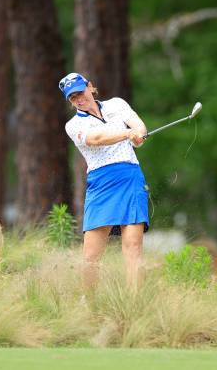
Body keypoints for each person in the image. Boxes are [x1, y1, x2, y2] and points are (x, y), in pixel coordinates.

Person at [59, 72, 149, 293]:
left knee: (133, 246)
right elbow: (96, 139)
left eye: (80, 93)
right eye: (73, 98)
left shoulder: (117, 104)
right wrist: (128, 134)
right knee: (91, 256)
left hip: (130, 177)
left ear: (90, 87)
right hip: (102, 184)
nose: (79, 99)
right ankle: (89, 304)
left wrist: (139, 135)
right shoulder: (73, 125)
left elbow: (139, 126)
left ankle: (134, 302)